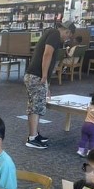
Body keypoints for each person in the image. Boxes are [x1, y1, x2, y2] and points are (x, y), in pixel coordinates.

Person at [24, 20, 76, 149]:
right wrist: (45, 75)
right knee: (36, 107)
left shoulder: (51, 33)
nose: (67, 39)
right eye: (68, 36)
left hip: (34, 75)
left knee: (34, 106)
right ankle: (32, 138)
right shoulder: (54, 34)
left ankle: (34, 135)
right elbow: (47, 54)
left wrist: (47, 84)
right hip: (37, 75)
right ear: (67, 31)